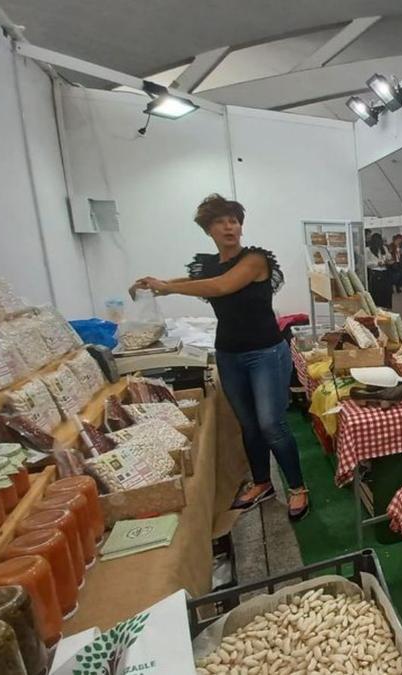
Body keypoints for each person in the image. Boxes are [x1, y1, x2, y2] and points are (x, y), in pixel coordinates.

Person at [132, 194, 309, 520]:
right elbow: (199, 280)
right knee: (249, 425)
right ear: (208, 229)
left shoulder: (256, 259)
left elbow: (221, 286)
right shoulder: (210, 264)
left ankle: (297, 488)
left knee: (272, 424)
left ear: (241, 225)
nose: (229, 227)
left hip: (266, 352)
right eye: (220, 222)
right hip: (229, 353)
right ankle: (261, 482)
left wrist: (167, 288)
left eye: (234, 220)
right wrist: (156, 285)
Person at [365, 232, 394, 309]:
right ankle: (376, 308)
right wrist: (377, 263)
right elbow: (366, 263)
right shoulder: (367, 250)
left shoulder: (383, 248)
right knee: (376, 292)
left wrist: (389, 260)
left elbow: (389, 257)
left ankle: (385, 308)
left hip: (385, 272)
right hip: (375, 273)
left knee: (386, 292)